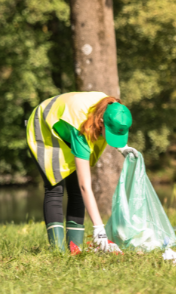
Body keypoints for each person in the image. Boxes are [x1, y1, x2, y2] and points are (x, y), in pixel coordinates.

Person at [26, 92, 137, 253]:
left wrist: (123, 147)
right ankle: (58, 251)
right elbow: (86, 185)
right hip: (45, 125)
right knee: (55, 187)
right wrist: (99, 229)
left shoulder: (111, 107)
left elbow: (113, 127)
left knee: (76, 191)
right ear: (100, 122)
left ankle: (74, 249)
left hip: (68, 125)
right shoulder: (81, 128)